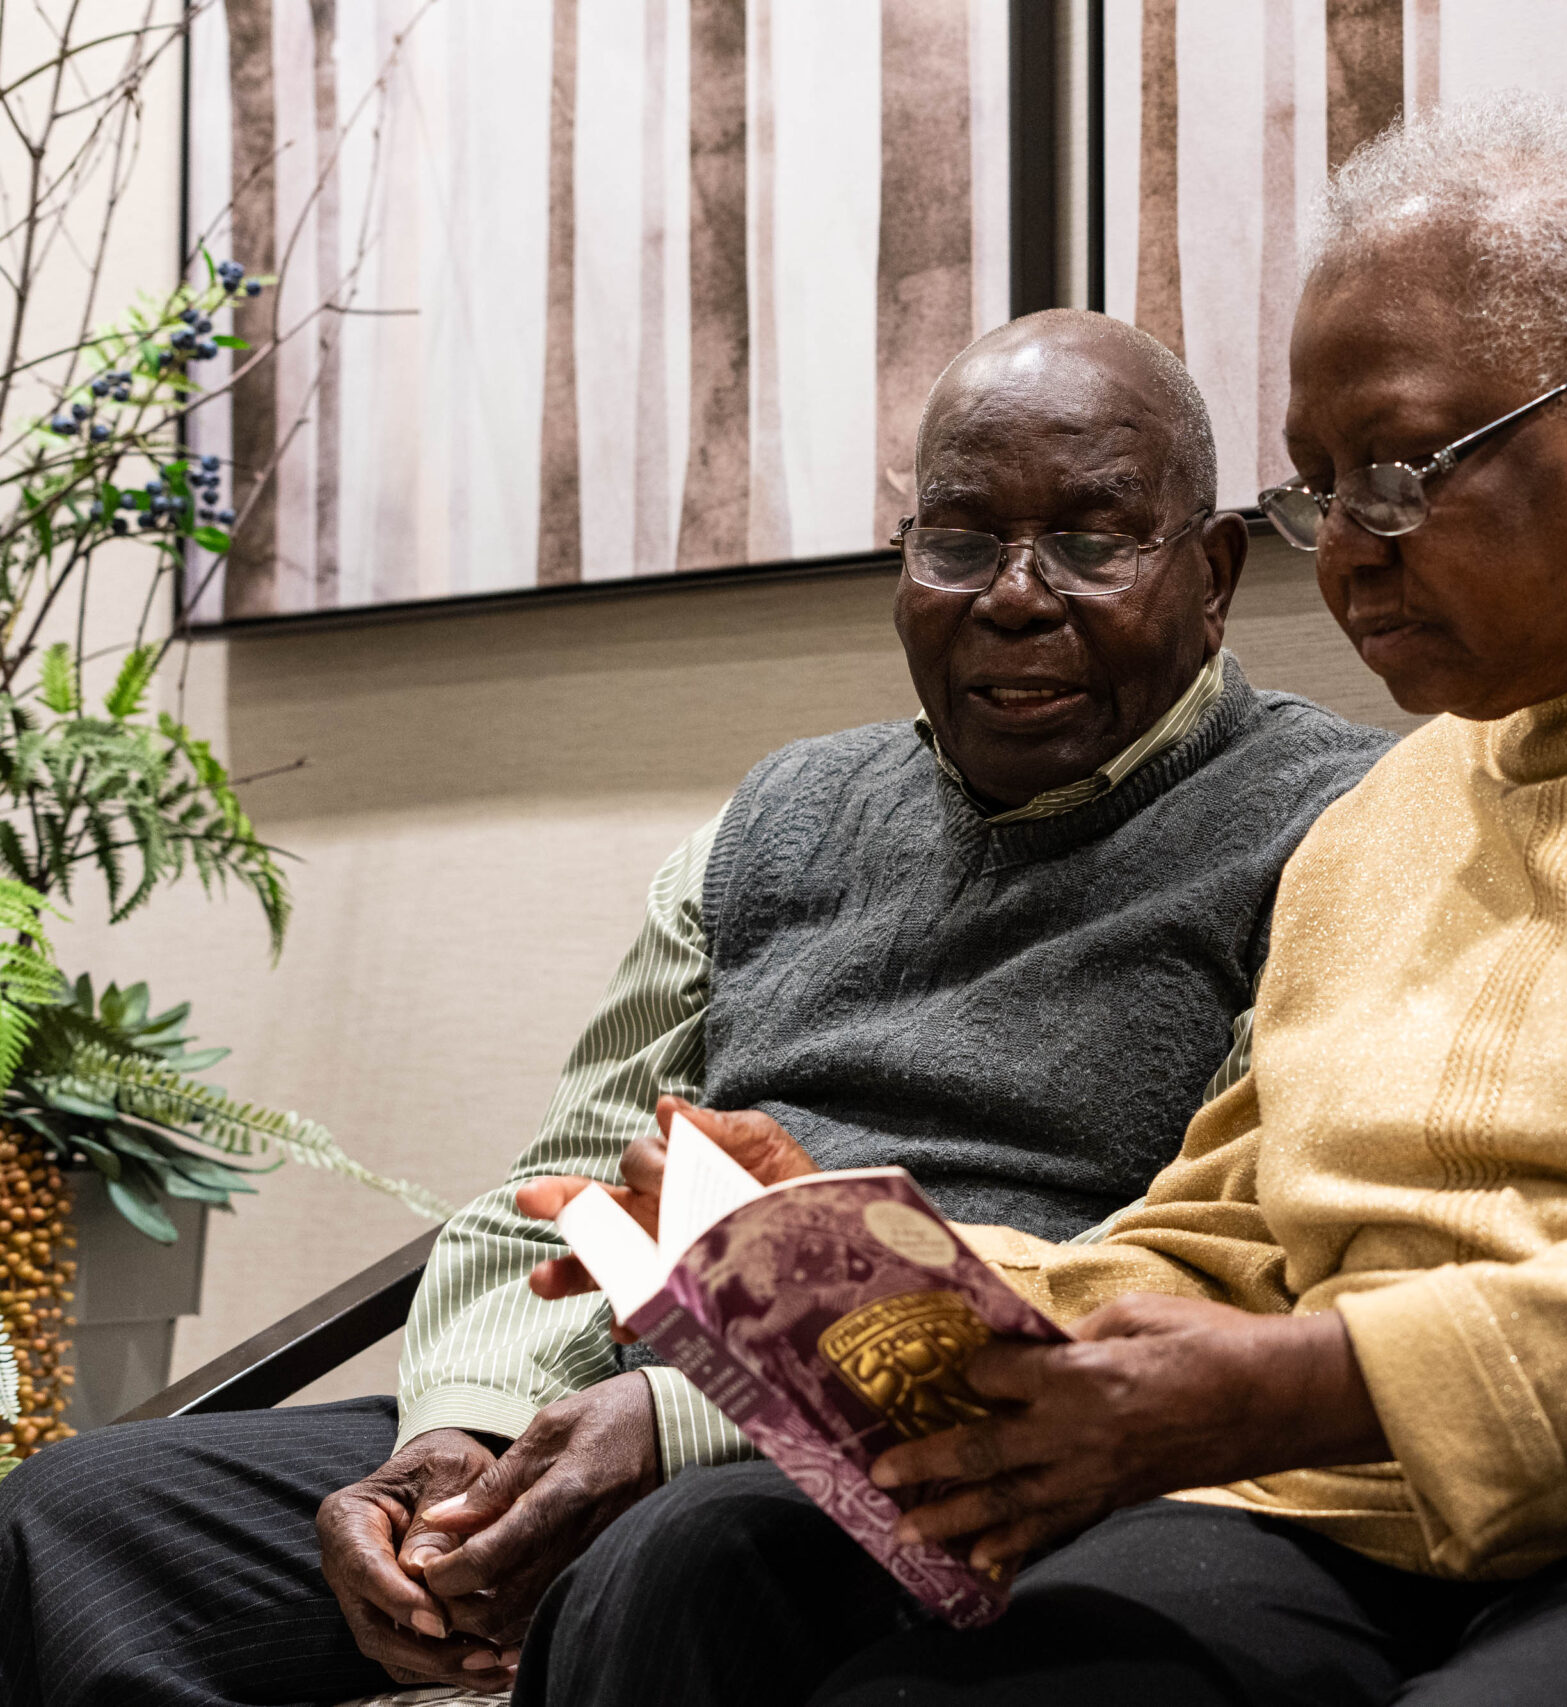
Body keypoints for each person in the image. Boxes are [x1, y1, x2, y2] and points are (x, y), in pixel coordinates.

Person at [531, 99, 1567, 1707]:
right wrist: (851, 1266)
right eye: (1318, 485)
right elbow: (1219, 1244)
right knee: (812, 1617)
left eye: (1400, 474)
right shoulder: (1389, 809)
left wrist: (1312, 1382)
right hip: (1374, 1512)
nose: (1345, 549)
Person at [0, 309, 1395, 1707]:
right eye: (959, 542)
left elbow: (1203, 1256)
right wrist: (465, 1441)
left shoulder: (1327, 829)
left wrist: (701, 1414)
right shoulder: (774, 822)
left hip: (969, 1449)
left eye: (1092, 544)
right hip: (601, 1402)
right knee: (83, 1518)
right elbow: (566, 1188)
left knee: (677, 1553)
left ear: (1213, 574)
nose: (1016, 597)